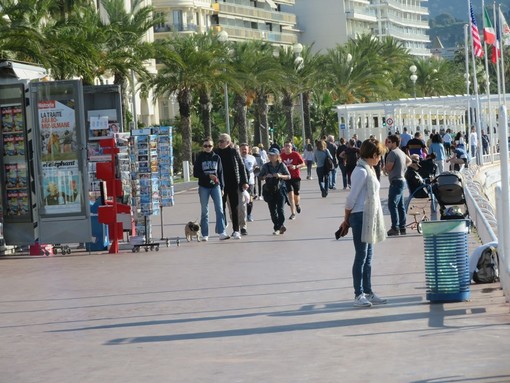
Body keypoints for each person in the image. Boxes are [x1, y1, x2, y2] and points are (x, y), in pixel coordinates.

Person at [338, 138, 387, 308]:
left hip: (369, 216)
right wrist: (346, 220)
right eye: (379, 156)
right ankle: (358, 294)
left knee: (368, 257)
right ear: (373, 155)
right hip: (360, 216)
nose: (380, 159)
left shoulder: (369, 169)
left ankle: (368, 291)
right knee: (361, 256)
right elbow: (351, 199)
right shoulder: (362, 171)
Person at [192, 137, 230, 241]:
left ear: (213, 146)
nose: (208, 147)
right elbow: (196, 173)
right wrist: (208, 176)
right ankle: (205, 234)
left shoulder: (217, 157)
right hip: (204, 186)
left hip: (215, 186)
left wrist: (222, 187)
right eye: (205, 146)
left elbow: (221, 173)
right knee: (205, 210)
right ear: (203, 147)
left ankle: (222, 232)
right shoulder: (200, 157)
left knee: (220, 209)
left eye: (210, 146)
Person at [214, 133, 248, 240]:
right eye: (218, 141)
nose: (219, 143)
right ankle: (222, 230)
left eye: (222, 141)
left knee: (235, 207)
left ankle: (236, 230)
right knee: (221, 207)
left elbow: (242, 167)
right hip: (220, 185)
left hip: (234, 183)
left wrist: (244, 181)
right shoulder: (216, 152)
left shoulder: (234, 152)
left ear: (228, 142)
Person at [259, 148, 291, 235]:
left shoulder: (282, 165)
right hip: (270, 190)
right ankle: (277, 227)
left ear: (277, 156)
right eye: (269, 155)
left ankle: (280, 225)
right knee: (273, 210)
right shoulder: (266, 166)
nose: (270, 156)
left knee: (280, 209)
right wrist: (265, 176)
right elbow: (260, 176)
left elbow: (289, 176)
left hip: (280, 190)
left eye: (273, 155)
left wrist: (280, 175)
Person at [385, 134, 411, 236]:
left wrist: (385, 168)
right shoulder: (401, 152)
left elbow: (389, 168)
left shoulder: (392, 153)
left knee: (392, 204)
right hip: (401, 180)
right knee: (400, 205)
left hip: (395, 181)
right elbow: (409, 161)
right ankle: (402, 227)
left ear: (394, 143)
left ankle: (395, 227)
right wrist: (403, 167)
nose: (387, 144)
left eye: (389, 142)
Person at [280, 140, 305, 219]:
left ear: (291, 147)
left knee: (296, 194)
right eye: (286, 146)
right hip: (286, 177)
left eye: (289, 146)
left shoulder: (296, 154)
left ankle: (297, 204)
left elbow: (303, 163)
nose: (287, 147)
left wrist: (296, 166)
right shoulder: (281, 156)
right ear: (284, 147)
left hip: (295, 177)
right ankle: (293, 213)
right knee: (290, 195)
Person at [239, 143, 257, 233]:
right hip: (240, 183)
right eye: (242, 149)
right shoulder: (238, 158)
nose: (244, 150)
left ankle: (249, 214)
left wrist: (256, 170)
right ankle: (242, 216)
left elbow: (255, 167)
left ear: (248, 149)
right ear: (239, 150)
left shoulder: (252, 158)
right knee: (241, 200)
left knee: (250, 199)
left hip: (250, 181)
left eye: (245, 149)